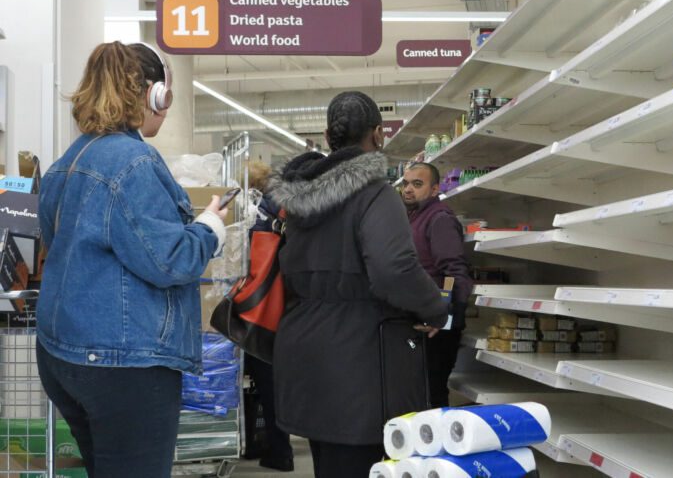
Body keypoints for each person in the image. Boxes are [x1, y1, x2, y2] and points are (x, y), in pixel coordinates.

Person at [36, 41, 228, 477]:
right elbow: (170, 262)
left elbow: (59, 242)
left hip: (63, 355)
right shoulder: (134, 160)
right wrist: (209, 228)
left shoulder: (68, 162)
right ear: (154, 94)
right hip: (125, 363)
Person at [270, 91, 448, 477]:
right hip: (360, 357)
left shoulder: (301, 198)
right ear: (379, 135)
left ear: (328, 136)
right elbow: (393, 269)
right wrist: (435, 307)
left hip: (304, 348)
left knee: (329, 464)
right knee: (364, 465)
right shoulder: (374, 193)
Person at [401, 162, 473, 407]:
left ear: (434, 189)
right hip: (421, 325)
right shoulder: (414, 217)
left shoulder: (439, 218)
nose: (408, 189)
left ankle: (435, 445)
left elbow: (453, 271)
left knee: (431, 396)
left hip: (436, 328)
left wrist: (446, 316)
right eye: (406, 183)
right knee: (417, 394)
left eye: (417, 184)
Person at [243, 160, 294, 472]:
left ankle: (279, 449)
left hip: (266, 304)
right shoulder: (283, 204)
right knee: (272, 379)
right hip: (284, 303)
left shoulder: (268, 209)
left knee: (268, 378)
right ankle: (276, 446)